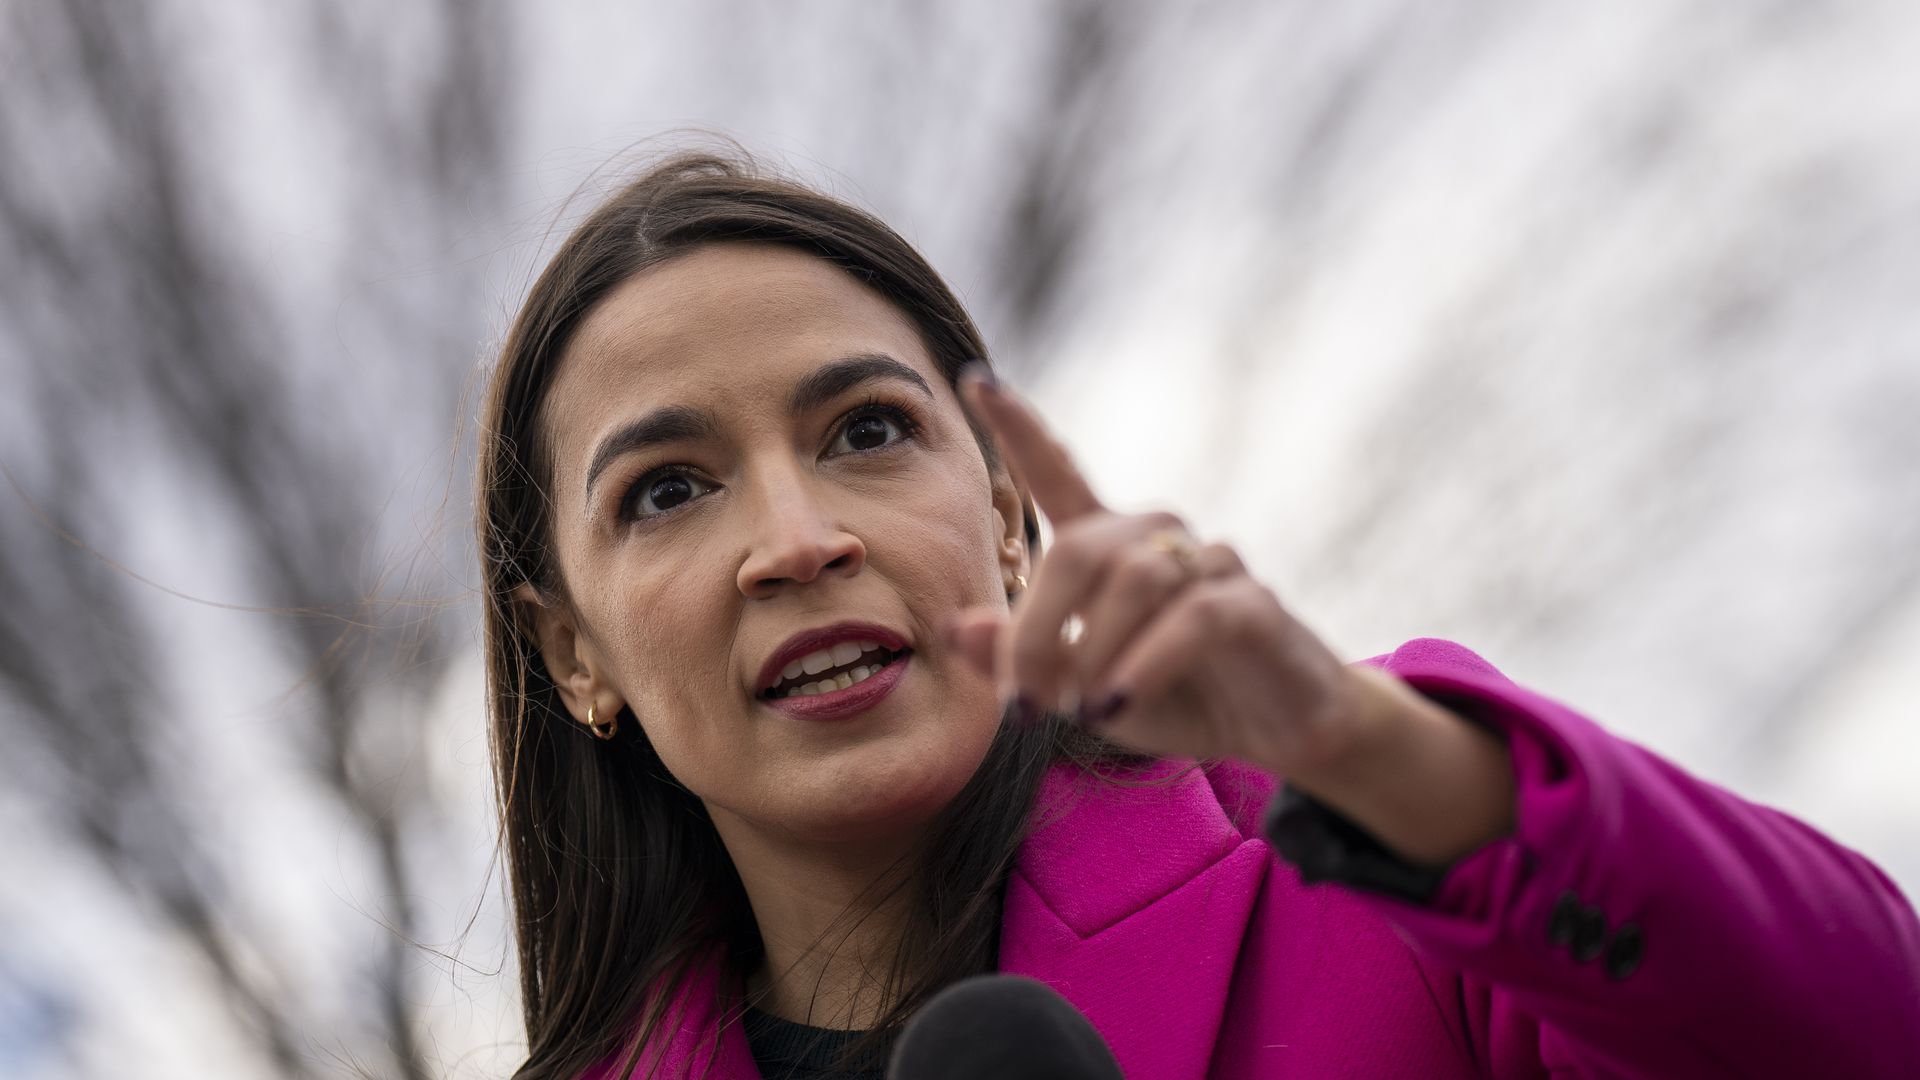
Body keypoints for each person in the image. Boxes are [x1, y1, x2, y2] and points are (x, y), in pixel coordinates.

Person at [475, 149, 1920, 1080]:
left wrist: (1368, 751)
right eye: (668, 491)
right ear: (575, 655)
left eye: (866, 431)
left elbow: (1868, 1029)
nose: (798, 541)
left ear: (1003, 517)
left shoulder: (1389, 884)